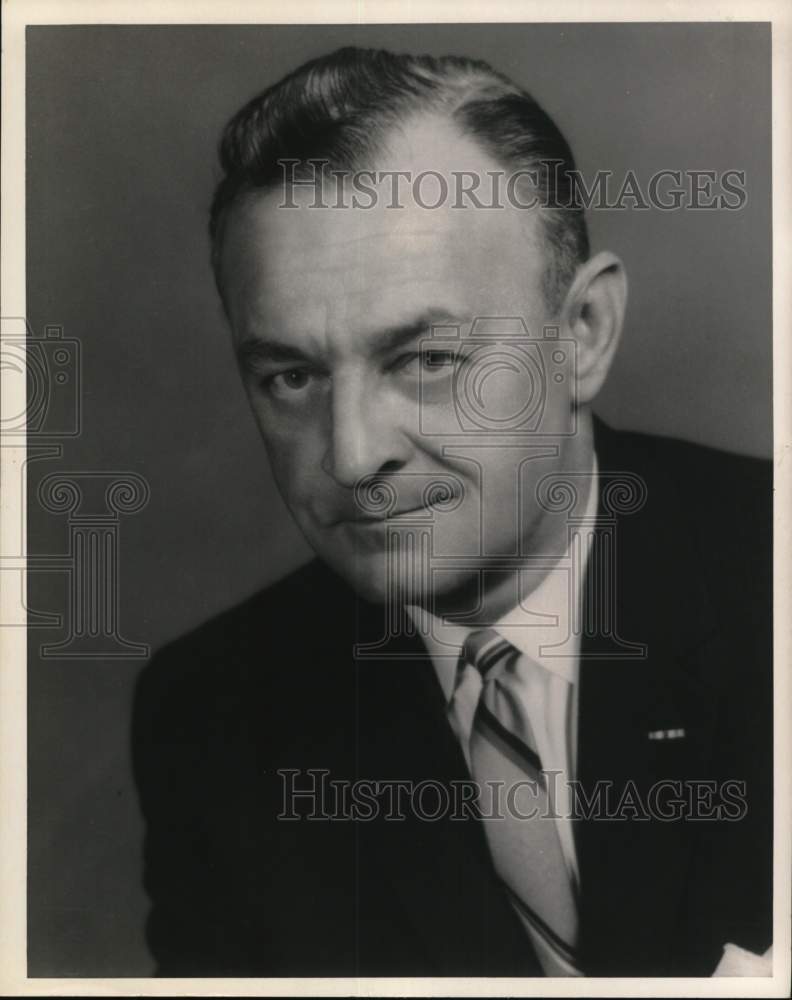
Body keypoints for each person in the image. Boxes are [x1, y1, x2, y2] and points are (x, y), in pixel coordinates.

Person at [132, 47, 772, 977]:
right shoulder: (213, 722)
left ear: (582, 333)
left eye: (425, 358)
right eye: (291, 376)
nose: (353, 453)